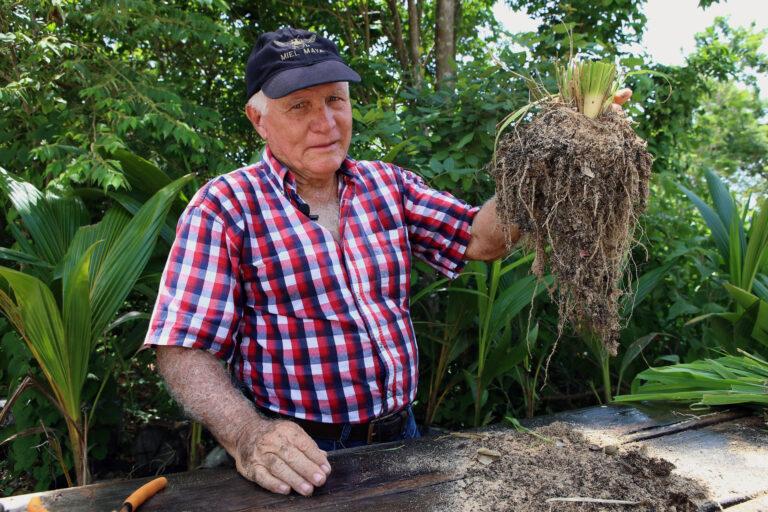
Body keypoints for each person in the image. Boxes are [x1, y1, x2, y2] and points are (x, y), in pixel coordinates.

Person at [144, 27, 631, 498]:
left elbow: (480, 238)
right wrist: (248, 435)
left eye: (336, 99)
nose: (326, 122)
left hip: (404, 439)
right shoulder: (226, 206)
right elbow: (182, 349)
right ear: (259, 119)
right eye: (300, 106)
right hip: (300, 455)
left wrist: (561, 145)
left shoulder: (387, 186)